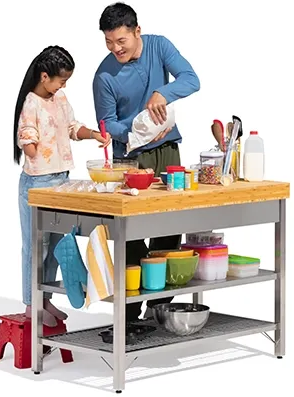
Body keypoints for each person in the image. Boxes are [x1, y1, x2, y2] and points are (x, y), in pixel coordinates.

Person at [92, 2, 200, 320]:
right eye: (109, 42)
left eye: (121, 41)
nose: (115, 48)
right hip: (130, 159)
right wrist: (137, 132)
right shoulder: (103, 76)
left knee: (169, 226)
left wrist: (162, 93)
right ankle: (129, 310)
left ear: (137, 31)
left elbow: (191, 79)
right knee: (132, 232)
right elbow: (106, 124)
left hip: (168, 152)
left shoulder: (159, 45)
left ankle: (160, 308)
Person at [14, 45, 112, 327]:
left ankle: (46, 300)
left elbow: (71, 127)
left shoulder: (60, 98)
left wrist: (93, 133)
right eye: (60, 80)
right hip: (37, 183)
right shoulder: (31, 102)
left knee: (58, 243)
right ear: (44, 76)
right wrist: (31, 145)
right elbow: (28, 139)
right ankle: (32, 304)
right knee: (35, 247)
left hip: (61, 180)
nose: (63, 85)